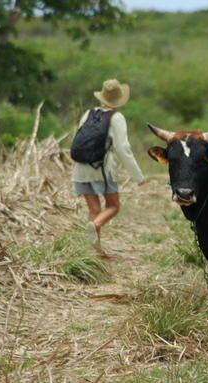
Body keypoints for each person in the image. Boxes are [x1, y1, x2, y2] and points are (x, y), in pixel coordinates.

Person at [72, 79, 145, 258]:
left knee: (94, 211)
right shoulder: (116, 118)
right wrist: (137, 176)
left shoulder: (88, 113)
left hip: (81, 169)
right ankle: (95, 226)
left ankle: (94, 252)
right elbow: (123, 149)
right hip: (102, 169)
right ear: (119, 99)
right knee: (113, 206)